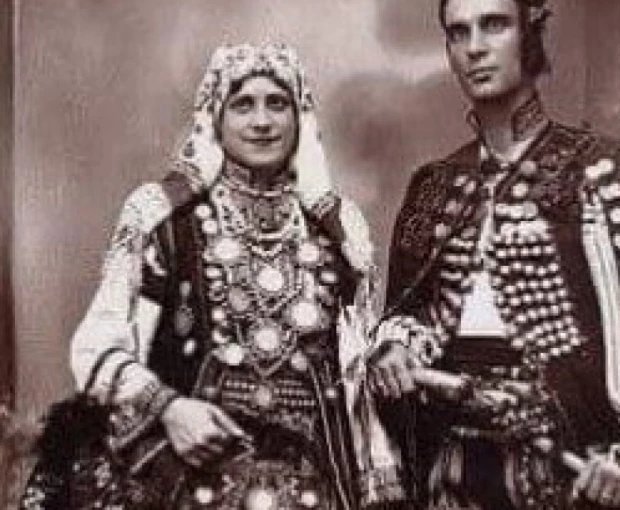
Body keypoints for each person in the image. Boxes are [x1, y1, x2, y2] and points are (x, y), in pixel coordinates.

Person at [368, 0, 620, 508]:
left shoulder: (611, 171)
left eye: (494, 25)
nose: (475, 47)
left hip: (573, 469)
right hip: (452, 473)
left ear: (530, 31)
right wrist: (394, 346)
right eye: (458, 32)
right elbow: (405, 312)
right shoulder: (433, 187)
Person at [20, 42, 375, 510]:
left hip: (315, 481)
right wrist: (170, 408)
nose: (262, 121)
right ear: (215, 118)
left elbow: (358, 372)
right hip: (189, 475)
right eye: (243, 105)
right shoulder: (164, 218)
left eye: (277, 104)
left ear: (300, 116)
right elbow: (98, 346)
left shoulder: (339, 229)